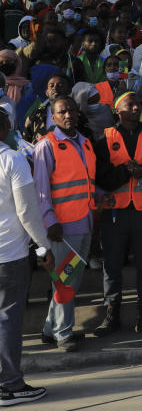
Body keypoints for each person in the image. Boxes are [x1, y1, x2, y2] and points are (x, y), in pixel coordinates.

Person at [92, 92, 142, 337]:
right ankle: (111, 315)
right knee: (112, 264)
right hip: (115, 212)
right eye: (129, 104)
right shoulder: (104, 137)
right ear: (117, 110)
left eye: (137, 104)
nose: (135, 108)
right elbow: (100, 175)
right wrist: (126, 172)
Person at [0, 106, 53, 406]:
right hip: (8, 255)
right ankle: (9, 384)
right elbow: (27, 211)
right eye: (8, 123)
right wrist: (42, 246)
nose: (12, 127)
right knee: (7, 319)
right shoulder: (12, 159)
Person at [33, 96, 95, 352]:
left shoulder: (85, 143)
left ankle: (51, 329)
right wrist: (50, 221)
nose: (68, 115)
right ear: (54, 117)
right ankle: (63, 334)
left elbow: (86, 182)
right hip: (62, 228)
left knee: (70, 280)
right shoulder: (46, 146)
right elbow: (40, 190)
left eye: (71, 110)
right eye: (62, 112)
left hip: (85, 221)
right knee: (65, 282)